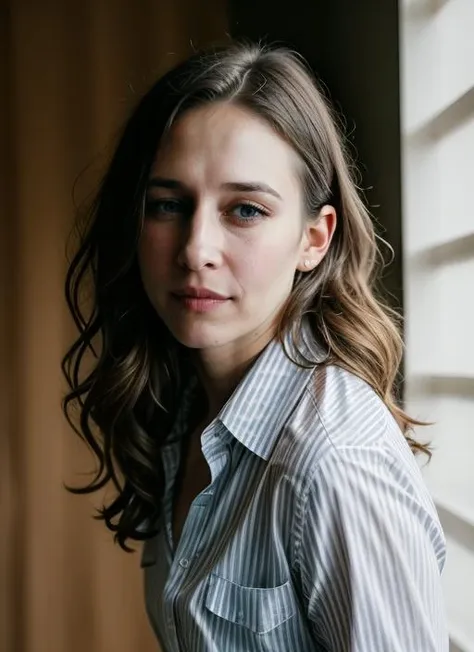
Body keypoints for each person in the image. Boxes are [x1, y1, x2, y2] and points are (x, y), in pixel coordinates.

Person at [62, 42, 448, 651]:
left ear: (313, 240)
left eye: (245, 209)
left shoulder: (334, 462)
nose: (195, 249)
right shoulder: (183, 414)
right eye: (168, 205)